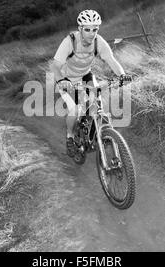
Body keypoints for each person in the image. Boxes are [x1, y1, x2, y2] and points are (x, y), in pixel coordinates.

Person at [51, 9, 132, 157]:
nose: (91, 33)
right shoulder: (69, 41)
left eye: (95, 29)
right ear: (80, 29)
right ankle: (70, 136)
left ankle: (98, 135)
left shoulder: (98, 42)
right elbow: (55, 66)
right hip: (66, 80)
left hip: (86, 76)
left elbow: (111, 60)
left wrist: (123, 76)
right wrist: (62, 81)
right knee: (75, 110)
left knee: (97, 106)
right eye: (87, 29)